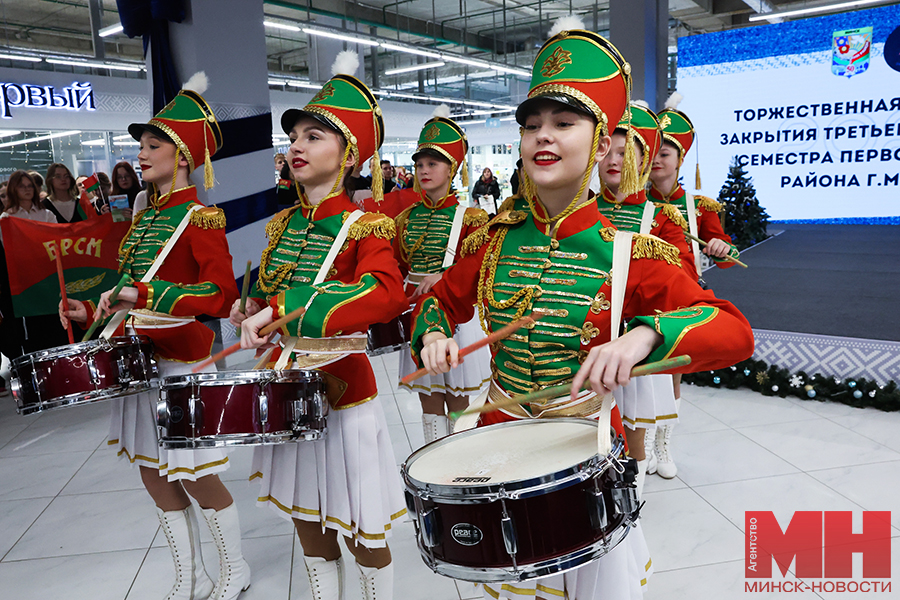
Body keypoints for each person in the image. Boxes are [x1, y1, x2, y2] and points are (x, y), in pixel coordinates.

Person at [413, 25, 754, 600]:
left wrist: (644, 335)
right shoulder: (492, 239)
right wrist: (434, 335)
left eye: (564, 124)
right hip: (497, 443)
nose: (543, 137)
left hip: (585, 449)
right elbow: (437, 302)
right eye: (532, 125)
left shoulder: (629, 252)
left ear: (601, 146)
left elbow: (734, 332)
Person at [59, 74, 251, 600]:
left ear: (184, 155)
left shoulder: (201, 217)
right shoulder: (145, 215)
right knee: (152, 472)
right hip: (136, 358)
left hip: (182, 360)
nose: (140, 154)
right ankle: (189, 576)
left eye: (153, 145)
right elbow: (127, 286)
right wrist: (89, 308)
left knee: (195, 474)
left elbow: (216, 297)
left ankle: (235, 568)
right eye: (140, 145)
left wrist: (144, 297)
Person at [231, 51, 408, 600]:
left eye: (314, 136)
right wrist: (248, 310)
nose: (297, 147)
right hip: (284, 385)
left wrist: (282, 302)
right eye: (295, 137)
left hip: (344, 391)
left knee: (360, 521)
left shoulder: (367, 225)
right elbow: (262, 295)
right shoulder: (283, 223)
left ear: (349, 153)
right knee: (304, 514)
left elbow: (384, 294)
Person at [595, 101, 695, 494]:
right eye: (607, 151)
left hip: (634, 341)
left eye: (627, 153)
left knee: (635, 429)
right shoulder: (580, 210)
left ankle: (630, 504)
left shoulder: (662, 218)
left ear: (645, 158)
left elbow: (682, 284)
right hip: (587, 340)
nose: (614, 161)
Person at [647, 98, 742, 479]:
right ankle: (640, 438)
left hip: (678, 302)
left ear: (681, 158)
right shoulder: (630, 201)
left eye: (665, 152)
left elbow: (728, 254)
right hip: (634, 298)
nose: (657, 160)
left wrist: (721, 249)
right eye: (652, 151)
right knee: (638, 375)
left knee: (669, 373)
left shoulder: (699, 206)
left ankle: (663, 442)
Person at [390, 106, 491, 442]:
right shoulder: (404, 218)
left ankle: (461, 460)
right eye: (419, 165)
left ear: (453, 169)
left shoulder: (473, 217)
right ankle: (432, 455)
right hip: (418, 311)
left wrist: (444, 277)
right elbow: (399, 264)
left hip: (456, 315)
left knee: (458, 396)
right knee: (428, 396)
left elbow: (478, 268)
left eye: (433, 164)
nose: (423, 171)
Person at [1, 171, 63, 356]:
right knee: (30, 328)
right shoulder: (5, 219)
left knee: (52, 323)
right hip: (23, 282)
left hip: (49, 278)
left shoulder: (47, 214)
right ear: (14, 189)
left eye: (30, 186)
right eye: (22, 186)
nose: (27, 190)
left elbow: (56, 242)